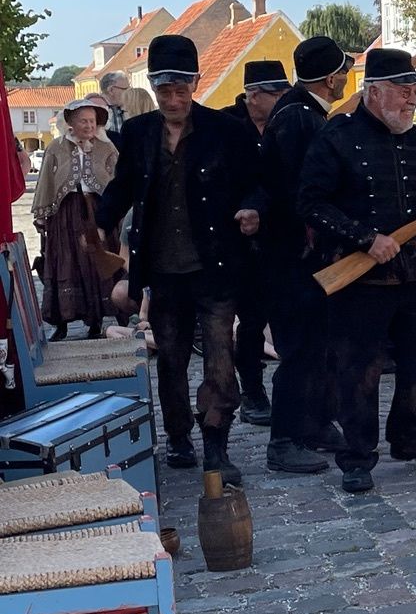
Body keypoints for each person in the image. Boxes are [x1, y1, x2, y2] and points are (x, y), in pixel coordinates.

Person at [96, 34, 262, 486]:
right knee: (169, 360)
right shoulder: (138, 132)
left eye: (180, 89)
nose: (172, 99)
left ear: (195, 84)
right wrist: (100, 222)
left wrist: (252, 208)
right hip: (164, 270)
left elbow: (258, 182)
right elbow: (125, 185)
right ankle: (178, 437)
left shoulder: (225, 130)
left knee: (219, 357)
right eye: (164, 90)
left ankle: (216, 444)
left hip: (215, 267)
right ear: (152, 86)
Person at [298, 48, 416, 494]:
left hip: (412, 268)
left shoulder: (413, 140)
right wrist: (365, 238)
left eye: (414, 91)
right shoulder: (337, 138)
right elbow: (310, 203)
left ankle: (410, 435)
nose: (412, 100)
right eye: (404, 90)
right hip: (360, 275)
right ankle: (357, 456)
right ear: (374, 91)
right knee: (360, 369)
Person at [257, 36, 354, 473]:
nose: (346, 77)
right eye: (343, 71)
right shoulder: (299, 118)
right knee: (299, 347)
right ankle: (284, 439)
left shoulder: (303, 112)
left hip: (303, 252)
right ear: (331, 77)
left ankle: (314, 423)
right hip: (295, 253)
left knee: (319, 344)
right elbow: (302, 189)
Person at [220, 59, 292, 427]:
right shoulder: (227, 125)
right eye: (276, 93)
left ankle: (287, 393)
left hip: (280, 238)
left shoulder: (288, 122)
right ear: (253, 96)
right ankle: (252, 391)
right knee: (249, 323)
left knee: (281, 317)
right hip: (237, 241)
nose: (283, 99)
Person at [31, 98, 120, 341]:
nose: (89, 125)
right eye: (83, 121)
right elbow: (46, 182)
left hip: (97, 211)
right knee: (65, 261)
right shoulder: (56, 148)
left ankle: (98, 320)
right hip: (65, 214)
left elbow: (118, 180)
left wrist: (118, 211)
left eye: (92, 121)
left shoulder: (106, 147)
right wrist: (42, 214)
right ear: (70, 122)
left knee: (98, 261)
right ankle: (62, 323)